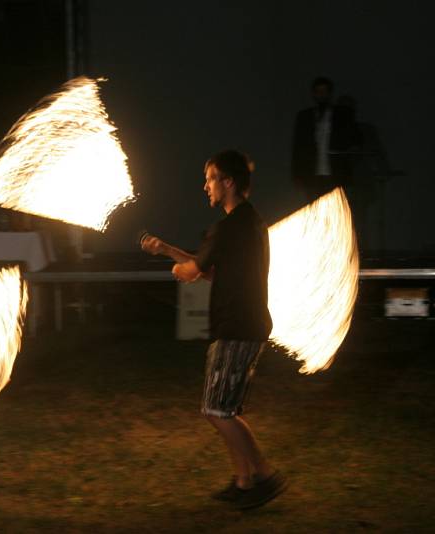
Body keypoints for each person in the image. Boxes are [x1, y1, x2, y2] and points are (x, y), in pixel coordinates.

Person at [140, 150, 286, 509]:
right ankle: (244, 481)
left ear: (228, 182)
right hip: (245, 324)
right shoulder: (250, 223)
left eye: (210, 178)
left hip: (238, 327)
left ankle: (264, 476)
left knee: (217, 411)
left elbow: (193, 271)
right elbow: (211, 270)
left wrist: (177, 270)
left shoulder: (228, 227)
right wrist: (166, 250)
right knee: (225, 409)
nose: (205, 186)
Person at [292, 77, 359, 201]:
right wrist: (297, 174)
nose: (321, 95)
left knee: (336, 209)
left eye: (324, 91)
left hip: (336, 174)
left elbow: (352, 140)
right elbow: (298, 148)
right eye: (318, 92)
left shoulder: (341, 116)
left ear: (330, 94)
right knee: (314, 209)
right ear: (313, 94)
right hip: (313, 174)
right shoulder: (305, 117)